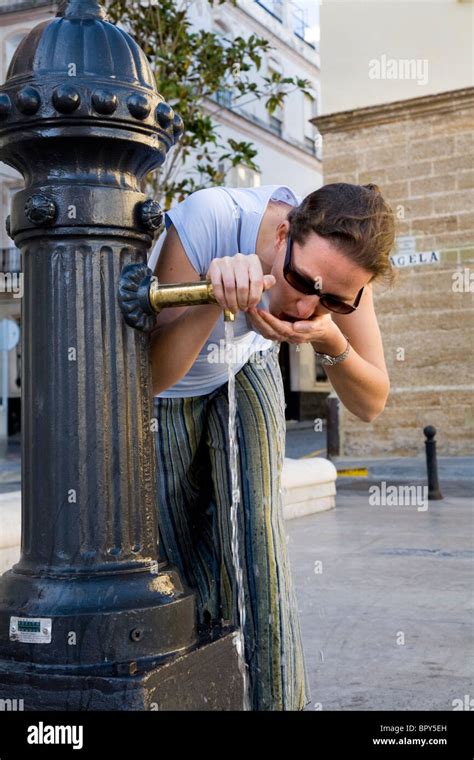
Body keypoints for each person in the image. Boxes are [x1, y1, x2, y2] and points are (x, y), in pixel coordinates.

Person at [147, 182, 395, 711]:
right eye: (301, 281)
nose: (307, 304)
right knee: (178, 554)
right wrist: (215, 300)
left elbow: (371, 400)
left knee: (259, 544)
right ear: (284, 232)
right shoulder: (213, 218)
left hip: (246, 365)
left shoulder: (342, 270)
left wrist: (331, 339)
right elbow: (151, 378)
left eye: (330, 298)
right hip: (176, 391)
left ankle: (281, 704)